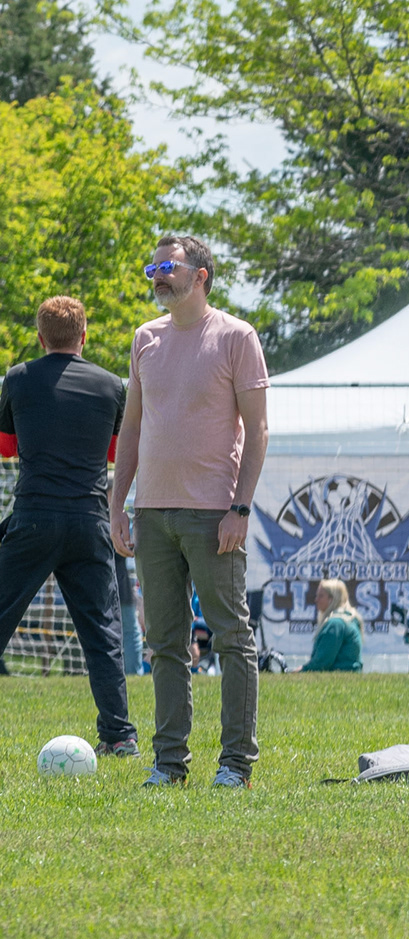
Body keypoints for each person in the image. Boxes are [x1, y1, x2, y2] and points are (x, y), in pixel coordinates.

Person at [109, 237, 270, 789]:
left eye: (167, 266)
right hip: (152, 515)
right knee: (165, 646)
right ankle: (169, 764)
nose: (157, 275)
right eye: (152, 265)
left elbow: (259, 431)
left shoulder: (236, 336)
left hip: (213, 515)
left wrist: (239, 508)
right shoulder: (144, 339)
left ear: (201, 275)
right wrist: (119, 505)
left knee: (230, 637)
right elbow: (130, 429)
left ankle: (235, 765)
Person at [0, 296, 139, 756]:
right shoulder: (109, 386)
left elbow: (5, 447)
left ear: (40, 338)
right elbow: (118, 455)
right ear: (84, 336)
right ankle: (119, 736)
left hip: (34, 518)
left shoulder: (18, 379)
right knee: (102, 634)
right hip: (89, 521)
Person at [299, 579, 363, 672]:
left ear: (332, 599)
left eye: (321, 596)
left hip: (341, 679)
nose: (316, 600)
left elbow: (322, 663)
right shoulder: (347, 619)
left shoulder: (335, 624)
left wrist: (300, 671)